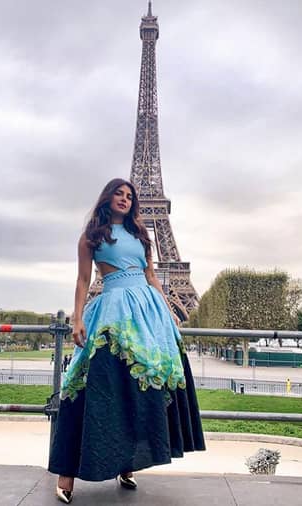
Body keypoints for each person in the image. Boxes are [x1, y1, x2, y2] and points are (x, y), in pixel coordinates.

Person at [47, 178, 205, 503]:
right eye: (119, 193)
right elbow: (83, 280)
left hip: (148, 314)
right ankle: (66, 474)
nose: (125, 198)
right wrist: (77, 318)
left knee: (138, 391)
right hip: (113, 311)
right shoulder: (91, 237)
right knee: (96, 387)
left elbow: (151, 277)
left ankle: (127, 462)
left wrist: (168, 311)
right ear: (107, 197)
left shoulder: (140, 235)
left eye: (129, 195)